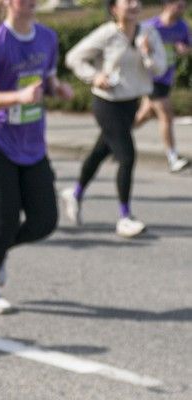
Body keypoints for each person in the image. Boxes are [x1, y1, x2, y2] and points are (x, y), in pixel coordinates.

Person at [0, 0, 73, 316]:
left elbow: (46, 79)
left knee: (45, 221)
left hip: (32, 145)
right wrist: (17, 97)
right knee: (7, 221)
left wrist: (59, 88)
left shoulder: (48, 38)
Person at [62, 0, 167, 238]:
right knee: (127, 156)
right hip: (107, 104)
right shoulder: (106, 34)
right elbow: (73, 57)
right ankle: (125, 217)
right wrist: (93, 76)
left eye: (136, 1)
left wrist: (147, 53)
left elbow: (159, 68)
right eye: (126, 1)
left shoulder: (149, 33)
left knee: (100, 151)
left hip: (131, 103)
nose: (134, 5)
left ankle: (75, 193)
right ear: (114, 8)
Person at [134, 0, 190, 172]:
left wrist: (185, 49)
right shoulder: (150, 26)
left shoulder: (181, 27)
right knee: (166, 116)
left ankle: (112, 139)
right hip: (150, 78)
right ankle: (172, 157)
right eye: (179, 5)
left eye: (184, 5)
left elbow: (189, 46)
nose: (182, 9)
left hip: (167, 78)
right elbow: (132, 45)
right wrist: (144, 48)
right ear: (167, 4)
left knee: (145, 114)